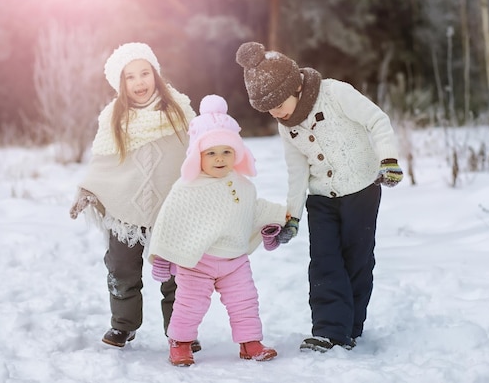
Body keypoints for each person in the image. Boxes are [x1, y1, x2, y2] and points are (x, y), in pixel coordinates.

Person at [235, 41, 403, 352]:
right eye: (267, 107)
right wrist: (293, 215)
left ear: (294, 85)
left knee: (357, 259)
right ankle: (330, 331)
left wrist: (388, 160)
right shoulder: (287, 126)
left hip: (361, 190)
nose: (274, 112)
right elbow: (297, 172)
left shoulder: (335, 93)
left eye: (276, 103)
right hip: (321, 199)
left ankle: (351, 327)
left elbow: (377, 120)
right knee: (324, 262)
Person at [69, 42, 200, 350]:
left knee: (177, 274)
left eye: (145, 73)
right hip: (125, 210)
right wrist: (88, 188)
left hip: (172, 209)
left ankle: (180, 330)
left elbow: (197, 152)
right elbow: (103, 161)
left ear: (155, 74)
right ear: (120, 83)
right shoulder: (113, 117)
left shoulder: (179, 110)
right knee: (121, 269)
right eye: (130, 77)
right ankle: (123, 325)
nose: (139, 82)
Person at [145, 94, 287, 366]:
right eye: (211, 152)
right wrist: (163, 256)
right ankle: (180, 342)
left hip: (234, 259)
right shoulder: (187, 187)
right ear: (198, 155)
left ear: (237, 153)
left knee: (245, 301)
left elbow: (252, 209)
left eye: (227, 152)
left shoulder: (243, 185)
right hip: (198, 261)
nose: (220, 159)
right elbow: (170, 222)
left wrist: (280, 215)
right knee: (189, 305)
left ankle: (250, 342)